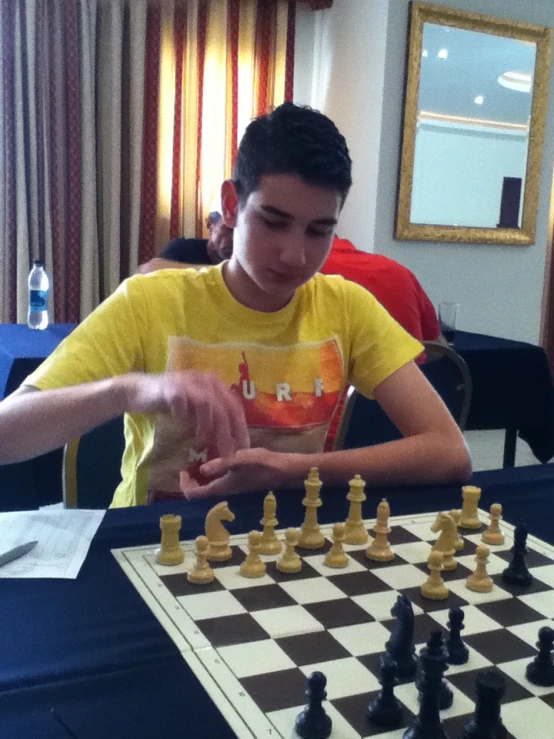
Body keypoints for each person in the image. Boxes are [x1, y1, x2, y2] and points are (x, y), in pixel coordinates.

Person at [0, 103, 471, 508]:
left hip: (280, 540)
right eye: (273, 221)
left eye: (318, 230)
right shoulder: (150, 301)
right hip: (151, 543)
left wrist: (294, 470)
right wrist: (130, 391)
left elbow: (450, 452)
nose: (295, 254)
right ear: (231, 204)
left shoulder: (347, 307)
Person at [137, 211, 233, 274]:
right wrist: (221, 273)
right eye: (228, 229)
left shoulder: (244, 258)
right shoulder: (183, 248)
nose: (234, 236)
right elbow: (147, 270)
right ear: (210, 224)